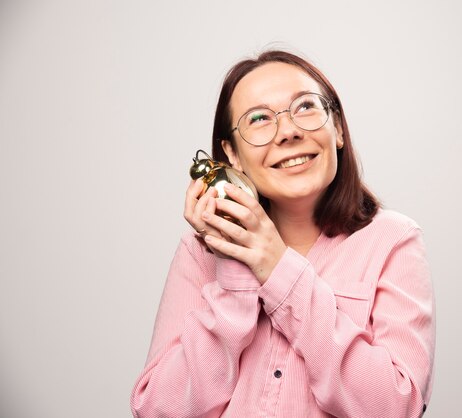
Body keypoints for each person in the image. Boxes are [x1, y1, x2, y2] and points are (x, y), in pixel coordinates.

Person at [130, 49, 435, 418]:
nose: (288, 131)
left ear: (337, 128)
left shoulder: (393, 240)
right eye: (259, 118)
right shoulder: (201, 253)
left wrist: (277, 267)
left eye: (305, 107)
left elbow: (395, 406)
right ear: (232, 155)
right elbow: (159, 410)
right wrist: (235, 265)